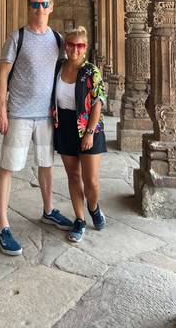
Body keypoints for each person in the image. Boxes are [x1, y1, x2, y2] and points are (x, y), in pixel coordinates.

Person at [0, 0, 72, 256]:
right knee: (8, 167)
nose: (40, 9)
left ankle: (48, 210)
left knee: (46, 164)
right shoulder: (17, 37)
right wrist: (1, 109)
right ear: (30, 7)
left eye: (45, 4)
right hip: (19, 113)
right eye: (36, 4)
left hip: (46, 114)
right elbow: (3, 75)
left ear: (52, 7)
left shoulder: (57, 39)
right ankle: (2, 225)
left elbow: (65, 72)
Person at [51, 25, 107, 243]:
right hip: (64, 125)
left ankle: (93, 207)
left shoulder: (91, 71)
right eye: (71, 45)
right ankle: (80, 219)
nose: (75, 49)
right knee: (73, 176)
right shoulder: (58, 68)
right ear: (65, 46)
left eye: (80, 45)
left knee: (90, 180)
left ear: (86, 48)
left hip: (88, 126)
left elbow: (98, 102)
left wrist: (90, 133)